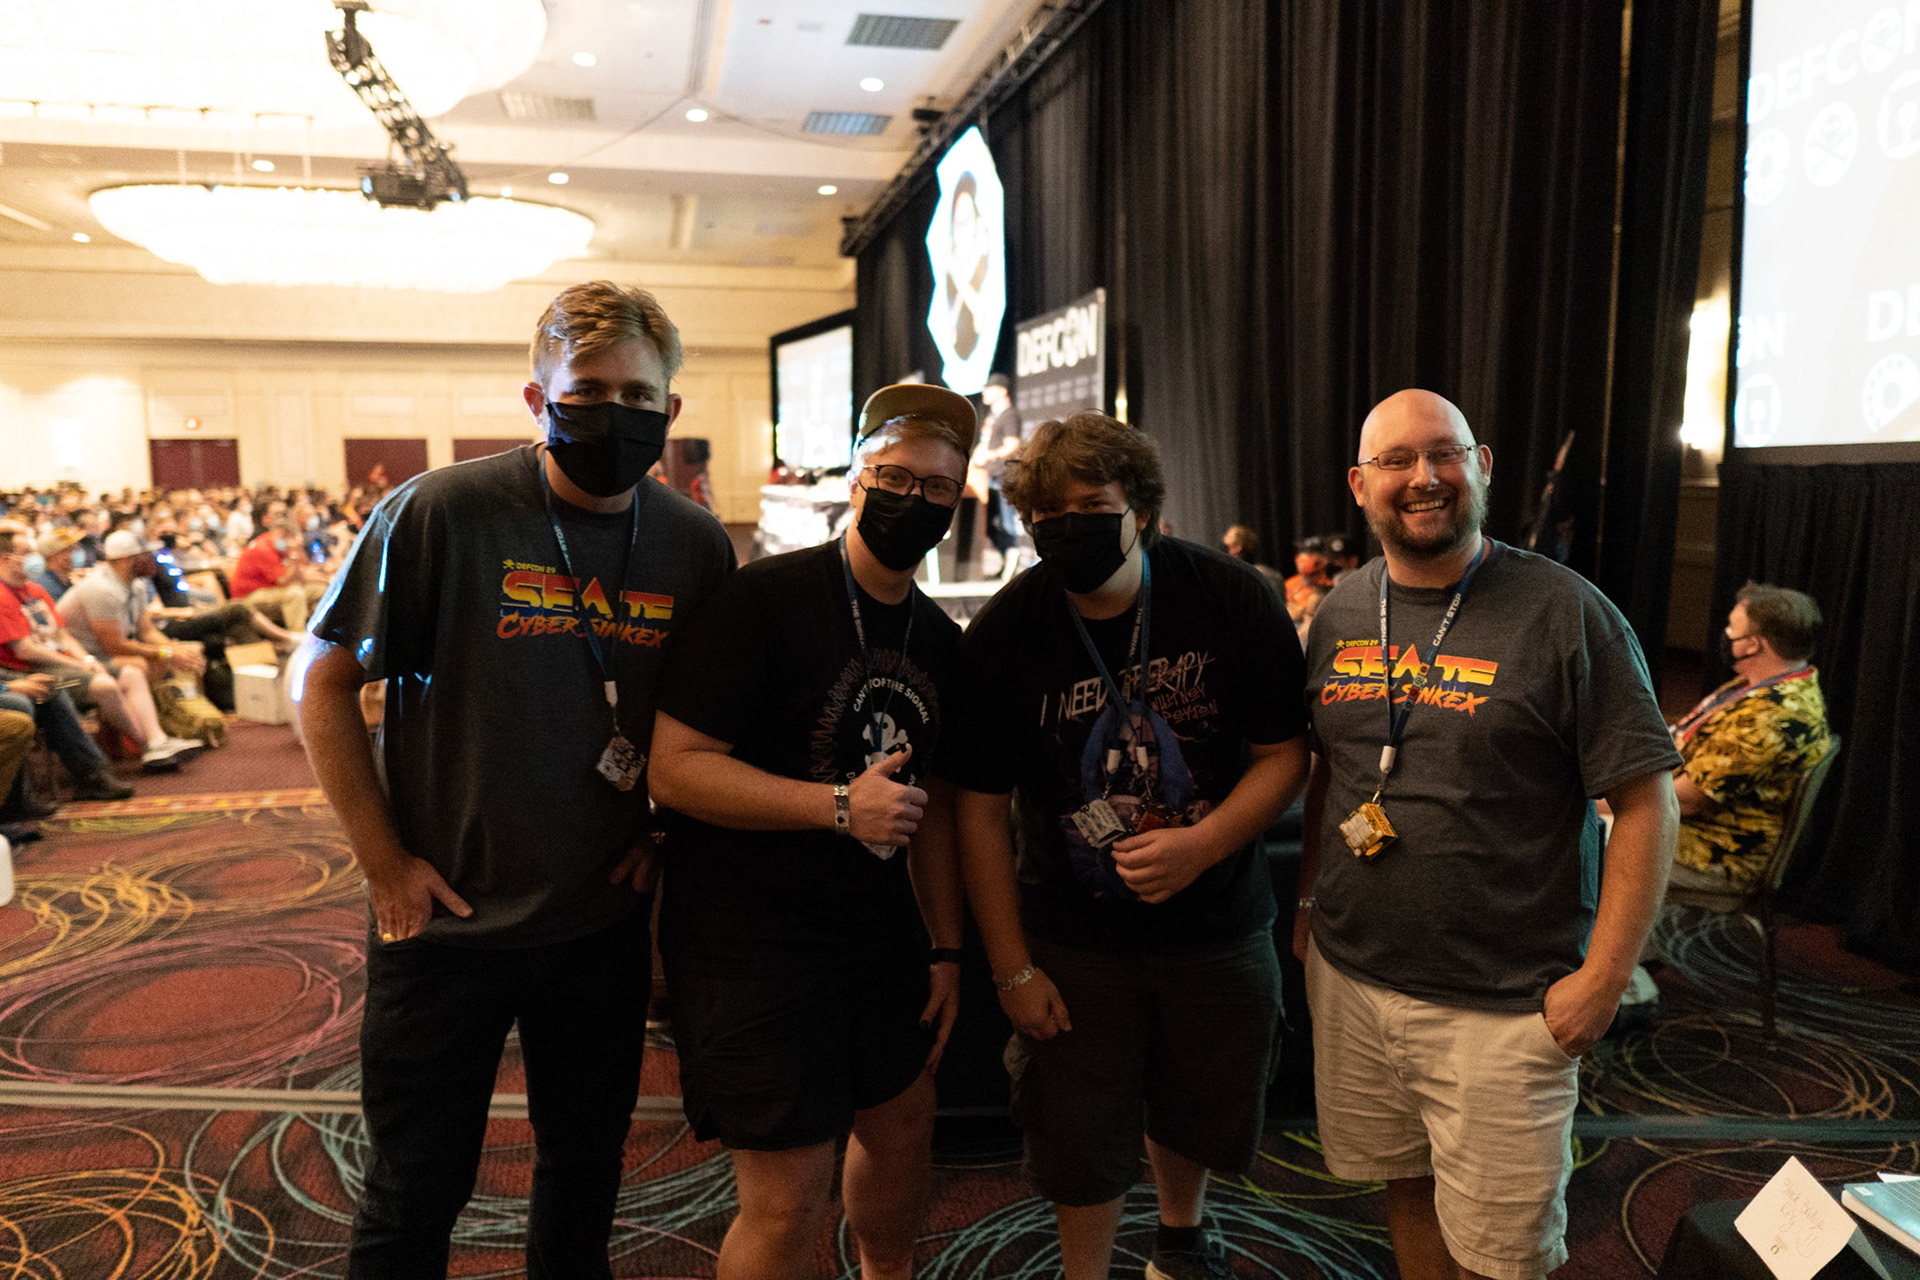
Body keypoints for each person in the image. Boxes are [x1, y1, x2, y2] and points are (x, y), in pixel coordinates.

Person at [295, 280, 735, 1280]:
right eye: (588, 392)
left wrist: (665, 830)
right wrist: (383, 864)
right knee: (415, 1187)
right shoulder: (440, 512)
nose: (616, 413)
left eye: (639, 395)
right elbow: (321, 681)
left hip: (599, 922)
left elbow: (711, 723)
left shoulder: (694, 543)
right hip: (443, 921)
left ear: (670, 408)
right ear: (538, 401)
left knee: (584, 1172)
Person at [1294, 389, 1680, 1280]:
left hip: (1505, 1008)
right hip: (1353, 982)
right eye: (1397, 460)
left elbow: (1646, 802)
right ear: (1359, 483)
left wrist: (1604, 982)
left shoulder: (1566, 612)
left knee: (1502, 1259)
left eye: (1445, 453)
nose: (1424, 477)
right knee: (1405, 1186)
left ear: (1483, 465)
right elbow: (1331, 772)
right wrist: (1309, 903)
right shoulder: (1342, 609)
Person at [948, 412, 1310, 1280]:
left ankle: (1179, 1236)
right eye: (1048, 515)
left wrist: (1204, 844)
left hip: (1218, 924)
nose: (1068, 528)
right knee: (1077, 1134)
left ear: (1141, 510)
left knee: (1201, 1106)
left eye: (1092, 507)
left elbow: (1285, 758)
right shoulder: (1006, 631)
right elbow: (979, 814)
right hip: (1072, 940)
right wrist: (1011, 970)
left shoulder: (1230, 596)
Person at [647, 383, 973, 1280]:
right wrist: (834, 806)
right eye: (894, 477)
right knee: (788, 1196)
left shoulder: (939, 640)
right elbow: (675, 769)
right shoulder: (765, 600)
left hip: (878, 936)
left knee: (903, 1127)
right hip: (753, 941)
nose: (912, 499)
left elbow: (936, 810)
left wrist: (947, 948)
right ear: (857, 479)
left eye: (937, 488)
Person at [1667, 584, 1830, 894]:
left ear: (1752, 645)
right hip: (1686, 820)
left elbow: (1686, 800)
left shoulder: (1772, 716)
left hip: (1714, 849)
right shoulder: (1760, 684)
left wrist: (1604, 798)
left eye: (1732, 629)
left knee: (1579, 832)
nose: (1726, 635)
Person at [0, 523, 201, 772]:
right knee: (108, 682)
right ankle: (149, 744)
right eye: (27, 553)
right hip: (33, 667)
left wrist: (86, 659)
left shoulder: (36, 590)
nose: (34, 558)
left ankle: (158, 740)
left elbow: (64, 635)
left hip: (72, 658)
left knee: (132, 673)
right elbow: (26, 650)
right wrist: (80, 662)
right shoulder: (6, 595)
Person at [968, 372, 1023, 575]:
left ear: (1001, 391)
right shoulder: (992, 416)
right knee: (989, 523)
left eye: (989, 388)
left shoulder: (1010, 415)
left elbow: (1012, 445)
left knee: (1006, 520)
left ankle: (1012, 556)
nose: (984, 392)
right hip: (987, 476)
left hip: (1002, 474)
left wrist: (990, 455)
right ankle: (1005, 558)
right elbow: (985, 443)